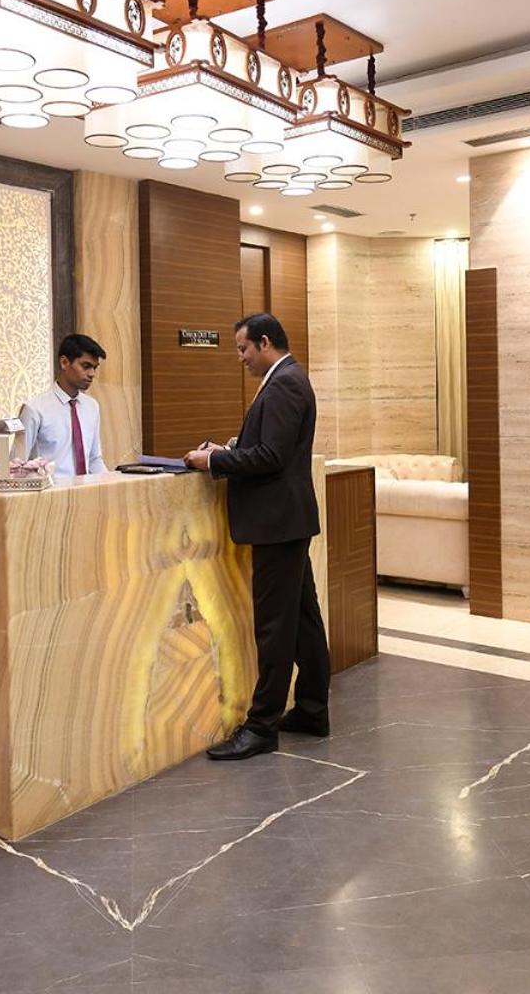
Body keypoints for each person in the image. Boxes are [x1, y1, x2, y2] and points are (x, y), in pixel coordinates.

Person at [184, 312, 327, 761]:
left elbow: (270, 457)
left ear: (265, 342)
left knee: (275, 628)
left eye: (243, 349)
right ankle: (312, 710)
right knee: (302, 620)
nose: (241, 358)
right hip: (287, 521)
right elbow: (270, 448)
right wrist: (231, 449)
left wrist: (213, 461)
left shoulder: (283, 383)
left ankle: (262, 727)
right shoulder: (289, 378)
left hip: (277, 523)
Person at [18, 333, 107, 480]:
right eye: (86, 366)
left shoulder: (92, 406)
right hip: (49, 491)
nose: (92, 374)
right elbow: (17, 464)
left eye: (94, 368)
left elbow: (94, 459)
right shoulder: (35, 409)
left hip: (86, 490)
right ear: (64, 363)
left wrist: (109, 485)